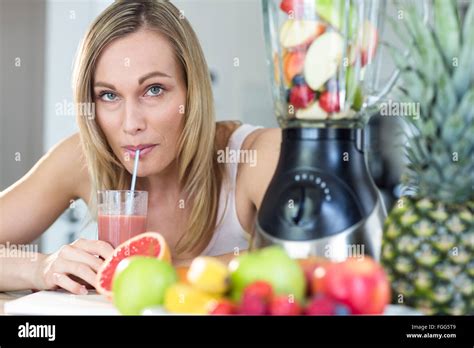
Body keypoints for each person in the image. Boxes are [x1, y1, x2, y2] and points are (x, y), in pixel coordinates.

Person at [0, 0, 281, 295]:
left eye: (154, 90)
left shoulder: (255, 155)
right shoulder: (86, 157)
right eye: (109, 95)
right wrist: (39, 267)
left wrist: (160, 272)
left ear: (192, 91)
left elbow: (312, 261)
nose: (131, 123)